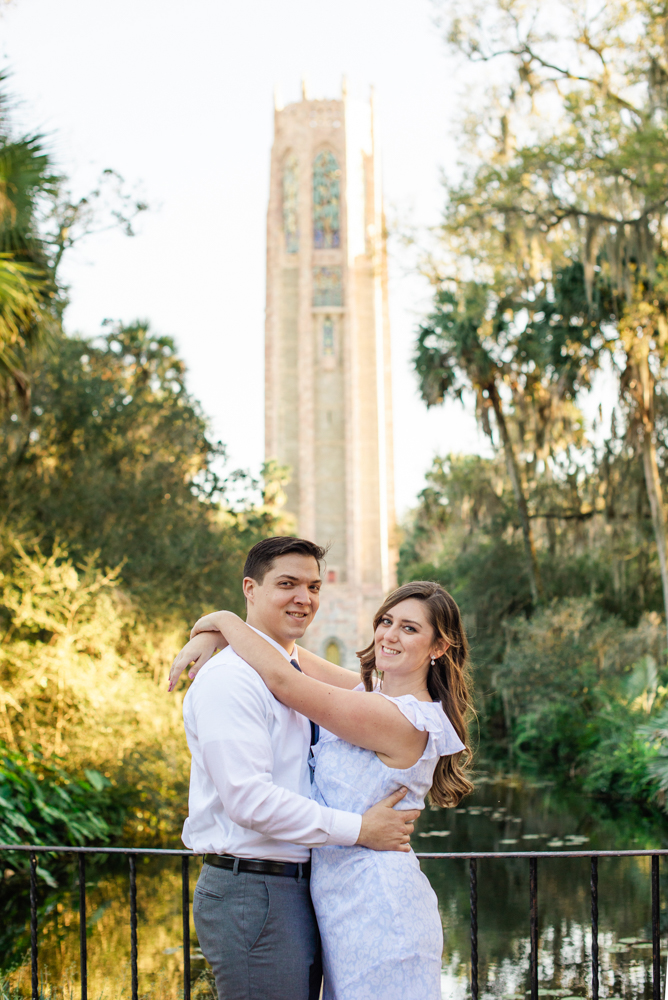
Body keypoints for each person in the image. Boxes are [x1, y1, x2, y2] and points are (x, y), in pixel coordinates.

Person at [172, 577, 473, 1000]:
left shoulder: (398, 718)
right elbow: (291, 658)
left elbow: (285, 681)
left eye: (410, 628)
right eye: (386, 621)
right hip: (338, 903)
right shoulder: (368, 694)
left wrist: (222, 619)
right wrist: (218, 636)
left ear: (439, 647)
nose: (389, 634)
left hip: (378, 906)